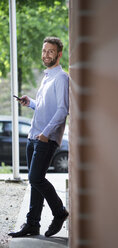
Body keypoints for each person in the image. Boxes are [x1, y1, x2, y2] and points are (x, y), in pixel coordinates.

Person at [8, 37, 69, 238]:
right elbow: (45, 107)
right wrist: (31, 103)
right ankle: (33, 224)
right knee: (34, 182)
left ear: (59, 54)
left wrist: (46, 134)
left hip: (46, 138)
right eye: (44, 51)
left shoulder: (61, 78)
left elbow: (62, 110)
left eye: (50, 51)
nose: (46, 55)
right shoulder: (46, 77)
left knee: (36, 178)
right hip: (35, 136)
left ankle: (59, 212)